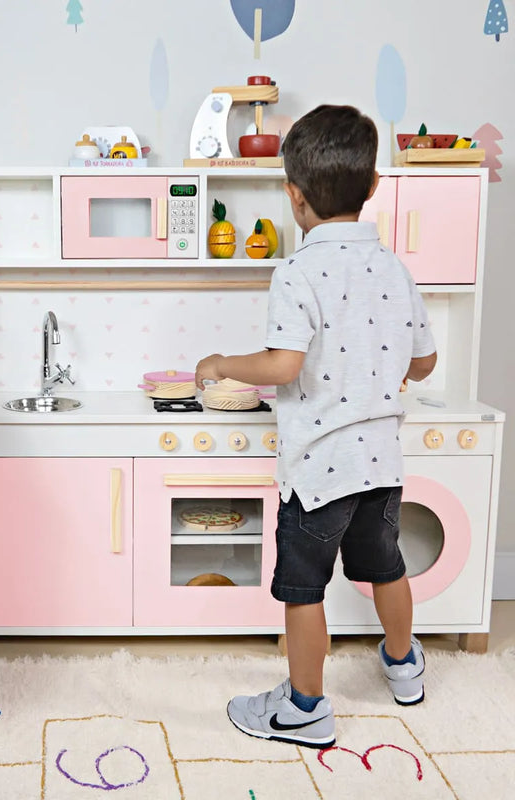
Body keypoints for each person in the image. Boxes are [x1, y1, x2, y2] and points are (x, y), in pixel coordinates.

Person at [195, 105, 437, 749]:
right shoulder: (394, 267)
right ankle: (405, 664)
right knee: (386, 567)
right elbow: (425, 358)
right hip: (381, 466)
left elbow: (284, 364)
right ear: (375, 185)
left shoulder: (297, 271)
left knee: (304, 590)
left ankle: (303, 708)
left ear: (294, 196)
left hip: (319, 472)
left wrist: (221, 362)